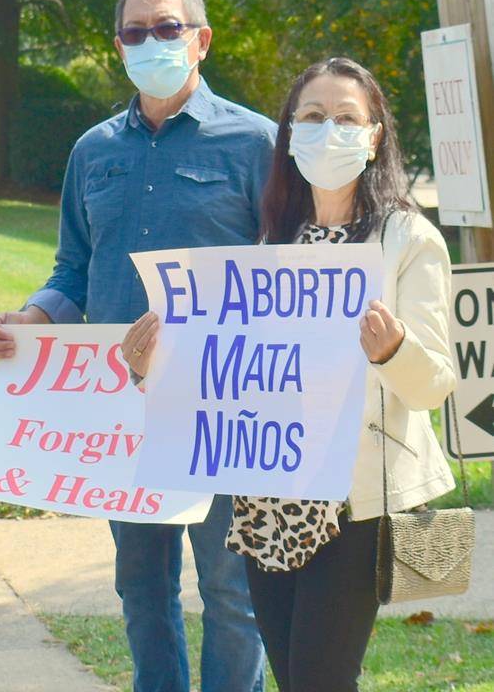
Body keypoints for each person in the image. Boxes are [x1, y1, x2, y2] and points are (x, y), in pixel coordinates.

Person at [122, 57, 456, 692]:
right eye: (311, 116)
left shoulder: (407, 239)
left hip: (353, 502)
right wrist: (151, 370)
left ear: (375, 134)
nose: (328, 130)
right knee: (293, 675)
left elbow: (434, 385)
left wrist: (392, 349)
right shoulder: (271, 237)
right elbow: (230, 371)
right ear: (289, 133)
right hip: (268, 499)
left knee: (319, 680)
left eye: (345, 118)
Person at [0, 0, 272, 692]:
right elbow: (72, 269)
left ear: (201, 40)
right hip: (119, 407)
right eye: (136, 32)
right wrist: (36, 315)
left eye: (167, 28)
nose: (151, 41)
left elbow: (281, 279)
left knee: (233, 592)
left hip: (222, 406)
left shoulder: (257, 144)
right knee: (141, 588)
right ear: (119, 47)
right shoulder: (93, 151)